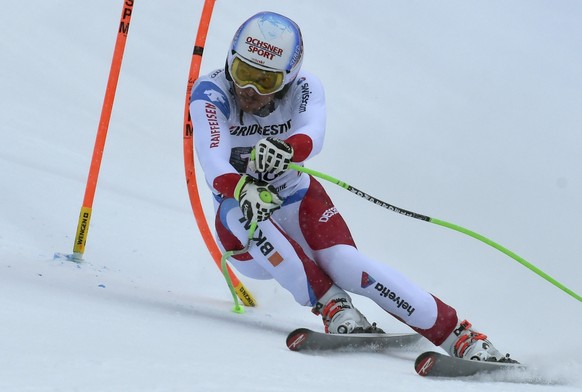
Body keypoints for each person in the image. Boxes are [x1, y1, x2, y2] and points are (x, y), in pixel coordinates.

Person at [190, 11, 510, 361]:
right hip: (247, 238)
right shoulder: (211, 92)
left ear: (288, 78)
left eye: (264, 82)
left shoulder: (306, 87)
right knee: (241, 210)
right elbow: (213, 160)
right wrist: (240, 188)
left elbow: (315, 131)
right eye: (243, 73)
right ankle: (334, 307)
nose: (248, 90)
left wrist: (288, 148)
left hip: (296, 200)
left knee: (346, 264)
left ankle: (460, 337)